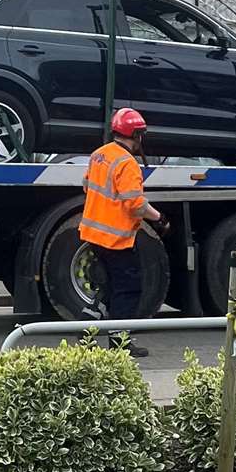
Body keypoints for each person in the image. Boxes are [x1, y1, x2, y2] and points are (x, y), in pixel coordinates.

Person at [79, 107, 164, 357]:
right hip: (115, 239)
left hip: (93, 234)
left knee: (107, 286)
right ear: (137, 135)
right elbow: (135, 204)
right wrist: (160, 218)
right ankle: (120, 342)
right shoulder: (127, 163)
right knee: (127, 289)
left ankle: (86, 330)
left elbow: (87, 186)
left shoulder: (99, 155)